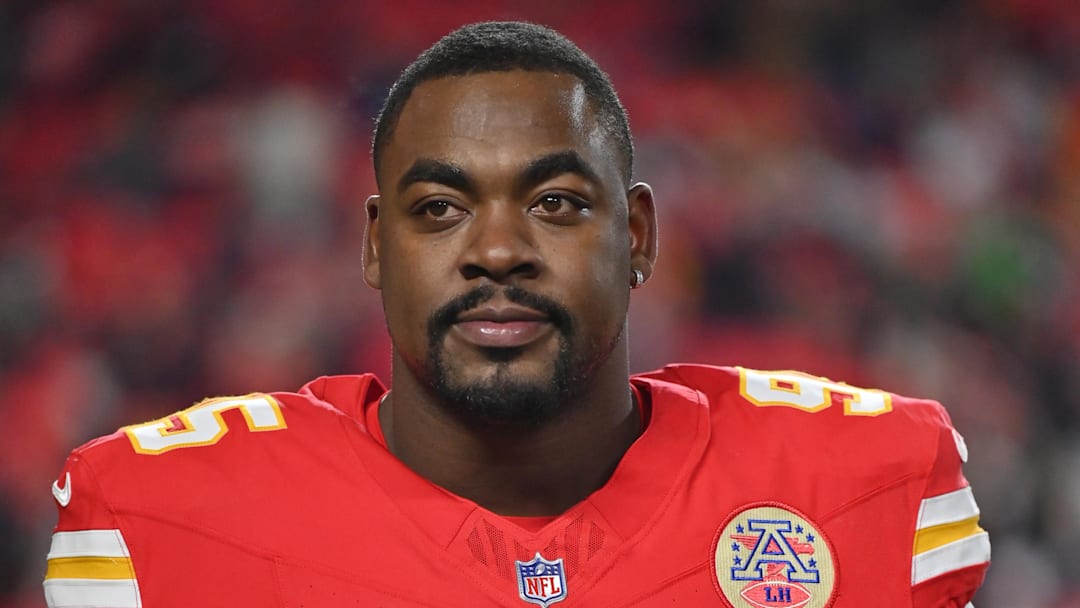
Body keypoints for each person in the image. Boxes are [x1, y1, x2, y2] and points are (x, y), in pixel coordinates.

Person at [43, 21, 989, 607]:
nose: (497, 251)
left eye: (557, 203)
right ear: (375, 246)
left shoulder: (864, 486)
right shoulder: (160, 517)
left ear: (638, 236)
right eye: (439, 209)